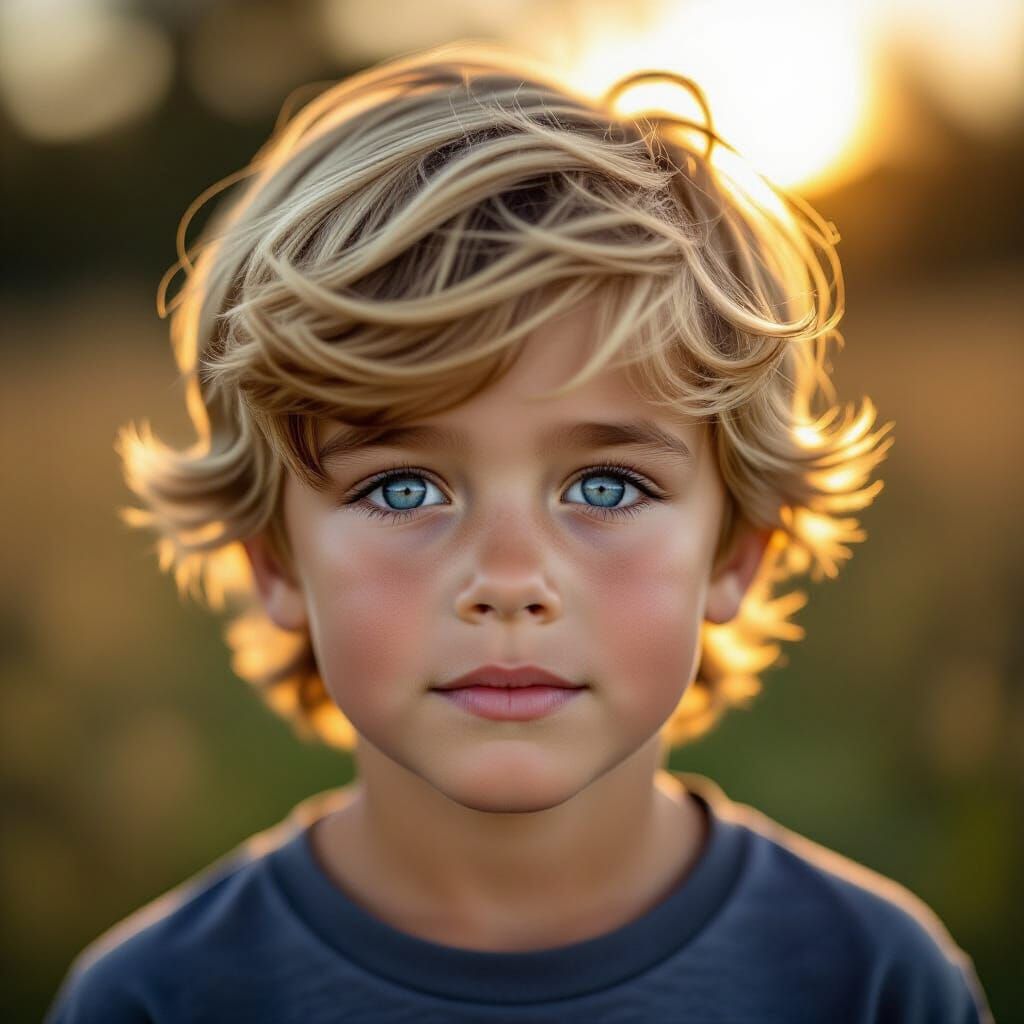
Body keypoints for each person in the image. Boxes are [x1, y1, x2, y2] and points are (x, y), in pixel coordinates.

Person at [46, 39, 993, 1023]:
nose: (507, 577)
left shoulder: (872, 982)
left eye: (609, 485)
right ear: (274, 556)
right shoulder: (158, 999)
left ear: (736, 550)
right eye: (405, 488)